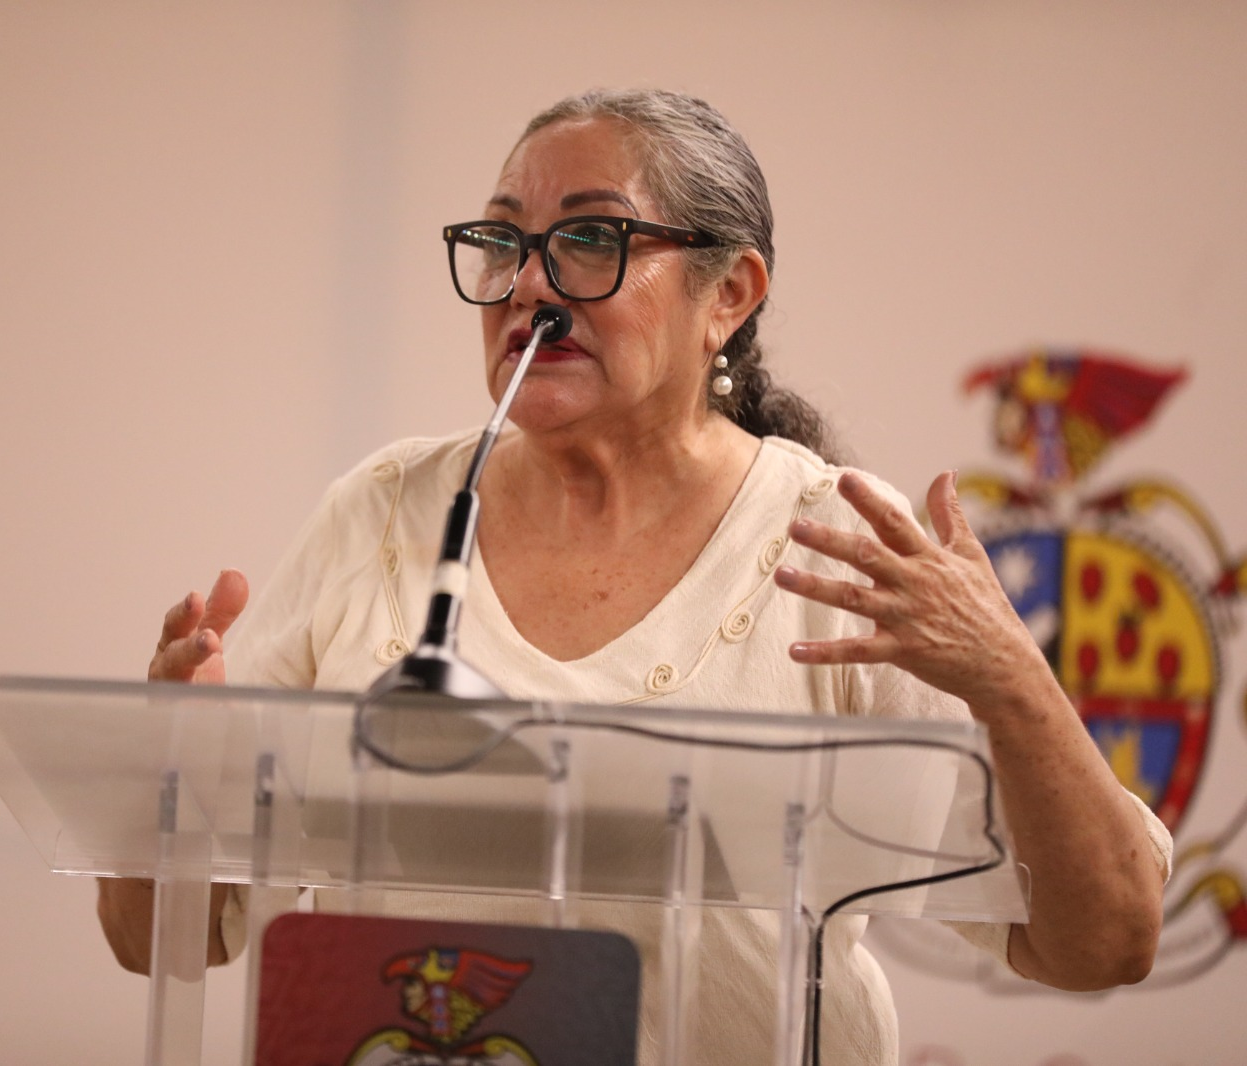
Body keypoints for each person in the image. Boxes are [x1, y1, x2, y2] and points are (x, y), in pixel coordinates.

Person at [98, 89, 1169, 1064]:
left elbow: (1103, 943)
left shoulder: (837, 541)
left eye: (590, 240)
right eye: (503, 243)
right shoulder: (378, 514)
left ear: (728, 294)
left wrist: (1009, 678)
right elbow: (160, 939)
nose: (528, 285)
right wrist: (169, 770)